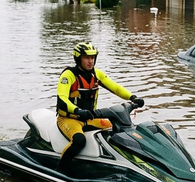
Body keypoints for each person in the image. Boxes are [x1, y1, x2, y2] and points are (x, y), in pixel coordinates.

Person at [56, 42, 144, 172]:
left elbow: (115, 87)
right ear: (78, 58)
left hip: (90, 117)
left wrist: (132, 97)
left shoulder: (96, 74)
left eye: (92, 58)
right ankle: (60, 170)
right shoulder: (68, 75)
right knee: (79, 140)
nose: (90, 61)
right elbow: (62, 99)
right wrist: (77, 110)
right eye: (86, 58)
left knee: (119, 129)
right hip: (69, 119)